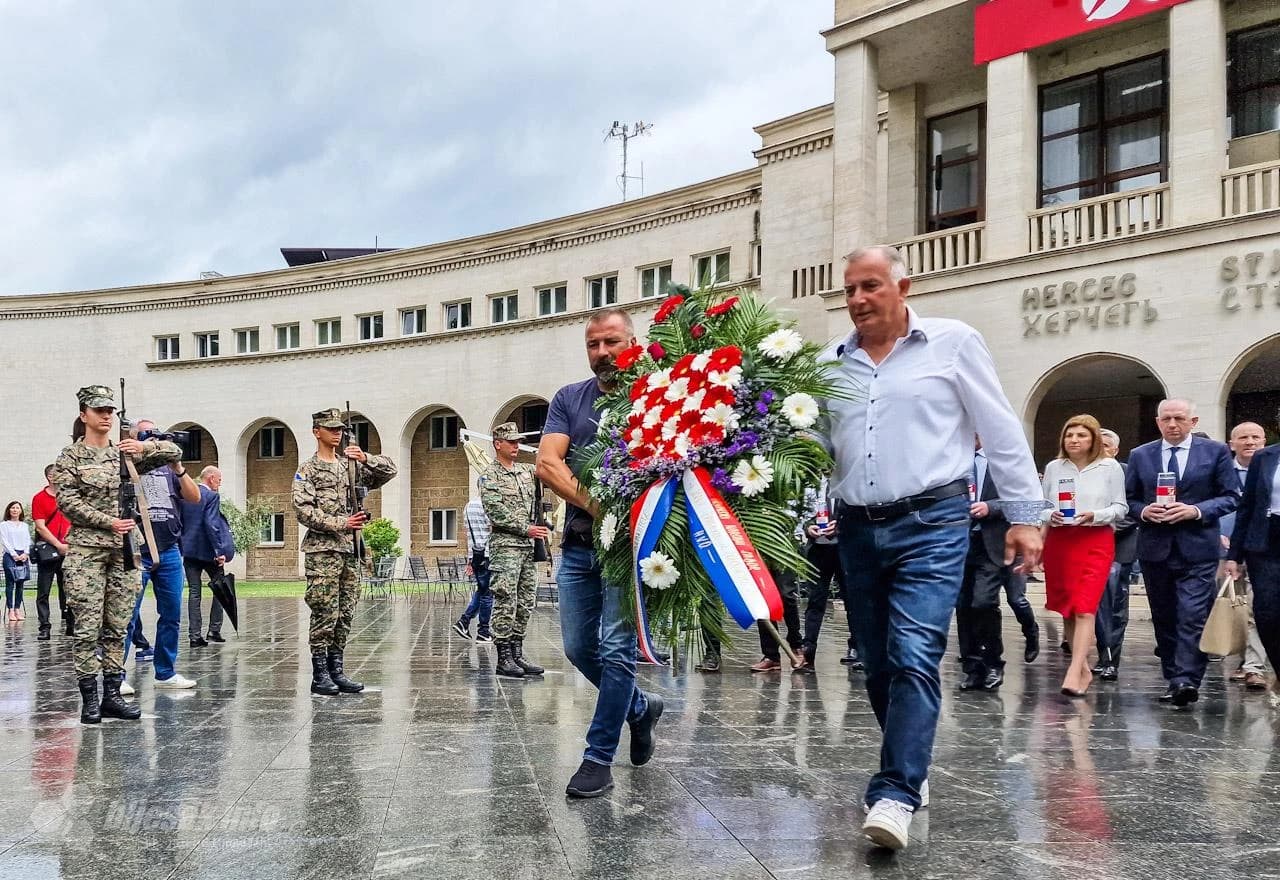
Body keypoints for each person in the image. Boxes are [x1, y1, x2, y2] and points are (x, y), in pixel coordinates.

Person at [820, 246, 1043, 851]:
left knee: (915, 649)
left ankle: (894, 792)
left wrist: (1023, 514)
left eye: (871, 286)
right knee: (875, 658)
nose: (859, 300)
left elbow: (998, 428)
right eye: (850, 290)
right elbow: (810, 446)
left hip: (933, 522)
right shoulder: (827, 363)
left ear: (903, 286)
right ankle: (911, 768)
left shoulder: (953, 342)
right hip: (856, 529)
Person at [537, 308, 664, 799]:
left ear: (633, 341)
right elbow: (548, 464)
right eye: (593, 345)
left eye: (612, 342)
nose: (603, 353)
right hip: (581, 545)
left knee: (615, 649)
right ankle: (639, 708)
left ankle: (597, 758)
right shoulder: (571, 398)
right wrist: (602, 506)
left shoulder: (658, 395)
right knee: (576, 648)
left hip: (633, 550)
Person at [51, 385, 183, 724]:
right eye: (99, 410)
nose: (107, 415)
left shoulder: (126, 453)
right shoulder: (70, 457)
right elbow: (67, 503)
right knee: (87, 626)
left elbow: (173, 450)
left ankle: (112, 693)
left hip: (125, 551)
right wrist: (107, 521)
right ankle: (90, 699)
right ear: (84, 415)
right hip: (87, 551)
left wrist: (143, 445)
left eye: (110, 410)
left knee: (118, 624)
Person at [1125, 399, 1238, 708]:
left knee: (1192, 614)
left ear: (1193, 421)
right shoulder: (1140, 455)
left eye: (1179, 418)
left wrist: (1196, 510)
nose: (1172, 424)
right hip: (1155, 548)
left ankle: (1187, 679)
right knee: (1165, 616)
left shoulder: (1214, 452)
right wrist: (1145, 511)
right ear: (1158, 421)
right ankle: (1173, 676)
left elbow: (1230, 496)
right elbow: (1129, 499)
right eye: (1166, 419)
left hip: (1197, 547)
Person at [293, 408, 397, 696]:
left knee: (345, 613)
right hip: (323, 550)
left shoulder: (349, 466)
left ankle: (337, 670)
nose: (337, 433)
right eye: (331, 428)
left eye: (340, 428)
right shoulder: (308, 470)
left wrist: (365, 457)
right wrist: (342, 523)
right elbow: (303, 509)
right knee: (325, 611)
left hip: (351, 549)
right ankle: (320, 674)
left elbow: (389, 470)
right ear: (317, 432)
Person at [1039, 415, 1127, 697]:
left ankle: (1076, 669)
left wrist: (1095, 515)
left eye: (1081, 435)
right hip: (1060, 540)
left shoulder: (1109, 467)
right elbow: (1041, 505)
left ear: (1094, 440)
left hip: (1094, 540)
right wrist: (1048, 514)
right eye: (1069, 435)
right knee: (1068, 607)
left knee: (1086, 606)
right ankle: (1083, 668)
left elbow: (1120, 507)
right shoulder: (1054, 467)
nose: (1074, 440)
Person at [120, 419, 202, 692]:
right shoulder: (126, 463)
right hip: (137, 550)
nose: (151, 437)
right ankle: (116, 676)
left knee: (171, 614)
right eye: (145, 433)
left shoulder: (168, 466)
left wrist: (177, 467)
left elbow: (194, 497)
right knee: (126, 615)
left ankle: (165, 672)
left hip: (168, 549)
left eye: (155, 433)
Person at [955, 437, 1036, 693]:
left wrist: (990, 507)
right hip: (958, 542)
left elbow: (1022, 496)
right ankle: (972, 667)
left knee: (983, 602)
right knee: (963, 606)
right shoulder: (953, 460)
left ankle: (993, 663)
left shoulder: (1003, 460)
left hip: (993, 542)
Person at [481, 422, 546, 678]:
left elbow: (548, 472)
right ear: (498, 444)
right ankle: (503, 657)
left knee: (526, 601)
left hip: (529, 548)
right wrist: (525, 528)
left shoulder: (526, 472)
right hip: (506, 546)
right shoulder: (490, 476)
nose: (516, 446)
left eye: (518, 442)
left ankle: (518, 652)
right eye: (511, 442)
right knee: (505, 600)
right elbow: (495, 511)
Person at [1225, 412, 1280, 706]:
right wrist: (1235, 554)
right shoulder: (1265, 457)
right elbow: (1247, 508)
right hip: (1267, 543)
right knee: (1267, 613)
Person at [1221, 422, 1270, 689]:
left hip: (1262, 550)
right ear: (1232, 443)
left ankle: (1253, 665)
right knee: (1232, 608)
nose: (1249, 442)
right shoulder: (1222, 470)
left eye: (1255, 437)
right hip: (1222, 550)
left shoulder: (1270, 467)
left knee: (1255, 607)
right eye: (1243, 437)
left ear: (1263, 441)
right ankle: (1243, 659)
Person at [798, 480, 860, 670]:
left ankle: (857, 647)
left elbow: (861, 512)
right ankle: (808, 650)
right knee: (815, 601)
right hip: (819, 551)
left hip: (845, 549)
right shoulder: (810, 482)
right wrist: (808, 528)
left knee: (853, 601)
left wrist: (840, 526)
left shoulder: (848, 480)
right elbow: (800, 513)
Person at [1092, 429, 1138, 681]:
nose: (1101, 448)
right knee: (1097, 606)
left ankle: (1112, 659)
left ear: (1116, 450)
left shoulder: (1127, 471)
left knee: (1115, 605)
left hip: (1118, 547)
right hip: (1087, 547)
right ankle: (1102, 654)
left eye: (1106, 445)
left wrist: (1102, 528)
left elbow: (1132, 509)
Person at [180, 466, 235, 648]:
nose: (220, 483)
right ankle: (214, 630)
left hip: (189, 551)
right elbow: (211, 525)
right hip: (209, 553)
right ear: (211, 478)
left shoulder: (186, 494)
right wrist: (219, 552)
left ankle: (194, 636)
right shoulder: (212, 496)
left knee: (194, 593)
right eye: (219, 480)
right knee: (220, 589)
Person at [32, 464, 73, 640]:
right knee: (44, 590)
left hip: (69, 548)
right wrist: (58, 544)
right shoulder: (39, 498)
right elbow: (40, 527)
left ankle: (71, 623)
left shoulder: (69, 496)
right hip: (49, 550)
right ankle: (44, 626)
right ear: (49, 476)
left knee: (69, 589)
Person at [452, 489, 494, 643]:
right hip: (488, 554)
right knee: (487, 594)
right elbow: (494, 527)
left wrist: (470, 559)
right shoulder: (487, 505)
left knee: (482, 590)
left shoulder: (469, 505)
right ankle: (483, 631)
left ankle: (464, 622)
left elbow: (467, 532)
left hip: (476, 554)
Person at [3, 501, 32, 622]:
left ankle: (17, 609)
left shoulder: (24, 525)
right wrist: (14, 554)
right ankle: (10, 610)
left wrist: (26, 553)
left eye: (17, 508)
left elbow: (28, 540)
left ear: (21, 511)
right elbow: (4, 540)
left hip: (23, 555)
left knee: (20, 583)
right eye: (12, 508)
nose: (15, 510)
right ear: (9, 510)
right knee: (10, 583)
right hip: (10, 555)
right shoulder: (4, 525)